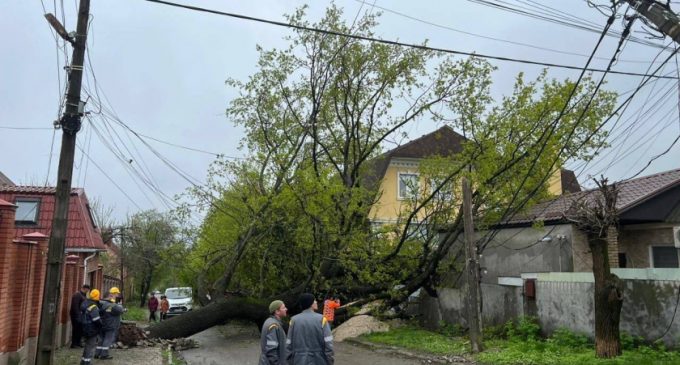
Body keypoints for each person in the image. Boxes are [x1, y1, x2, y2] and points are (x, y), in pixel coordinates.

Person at [286, 293, 334, 365]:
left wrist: (289, 361)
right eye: (314, 300)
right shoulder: (322, 319)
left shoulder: (293, 320)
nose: (316, 302)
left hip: (298, 360)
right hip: (319, 360)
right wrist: (329, 361)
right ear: (310, 303)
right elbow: (329, 344)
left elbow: (289, 344)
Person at [95, 287, 124, 360]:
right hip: (110, 325)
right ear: (113, 294)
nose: (117, 295)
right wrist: (120, 306)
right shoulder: (113, 305)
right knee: (108, 340)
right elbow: (119, 310)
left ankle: (97, 353)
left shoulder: (101, 303)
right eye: (117, 294)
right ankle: (104, 355)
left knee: (101, 340)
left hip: (102, 324)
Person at [259, 300, 288, 365]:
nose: (286, 309)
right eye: (283, 308)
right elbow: (271, 350)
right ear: (277, 311)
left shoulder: (270, 321)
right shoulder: (273, 325)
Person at [80, 289, 102, 365]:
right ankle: (87, 362)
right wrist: (100, 326)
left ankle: (83, 361)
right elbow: (96, 320)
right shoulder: (94, 307)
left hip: (84, 327)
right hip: (92, 329)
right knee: (90, 346)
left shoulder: (85, 302)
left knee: (87, 345)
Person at [69, 284, 90, 348]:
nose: (88, 291)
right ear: (84, 288)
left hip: (81, 315)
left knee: (80, 330)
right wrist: (78, 315)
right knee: (76, 329)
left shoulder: (83, 295)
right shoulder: (77, 295)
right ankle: (74, 344)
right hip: (76, 315)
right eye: (87, 289)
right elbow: (75, 306)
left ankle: (78, 343)